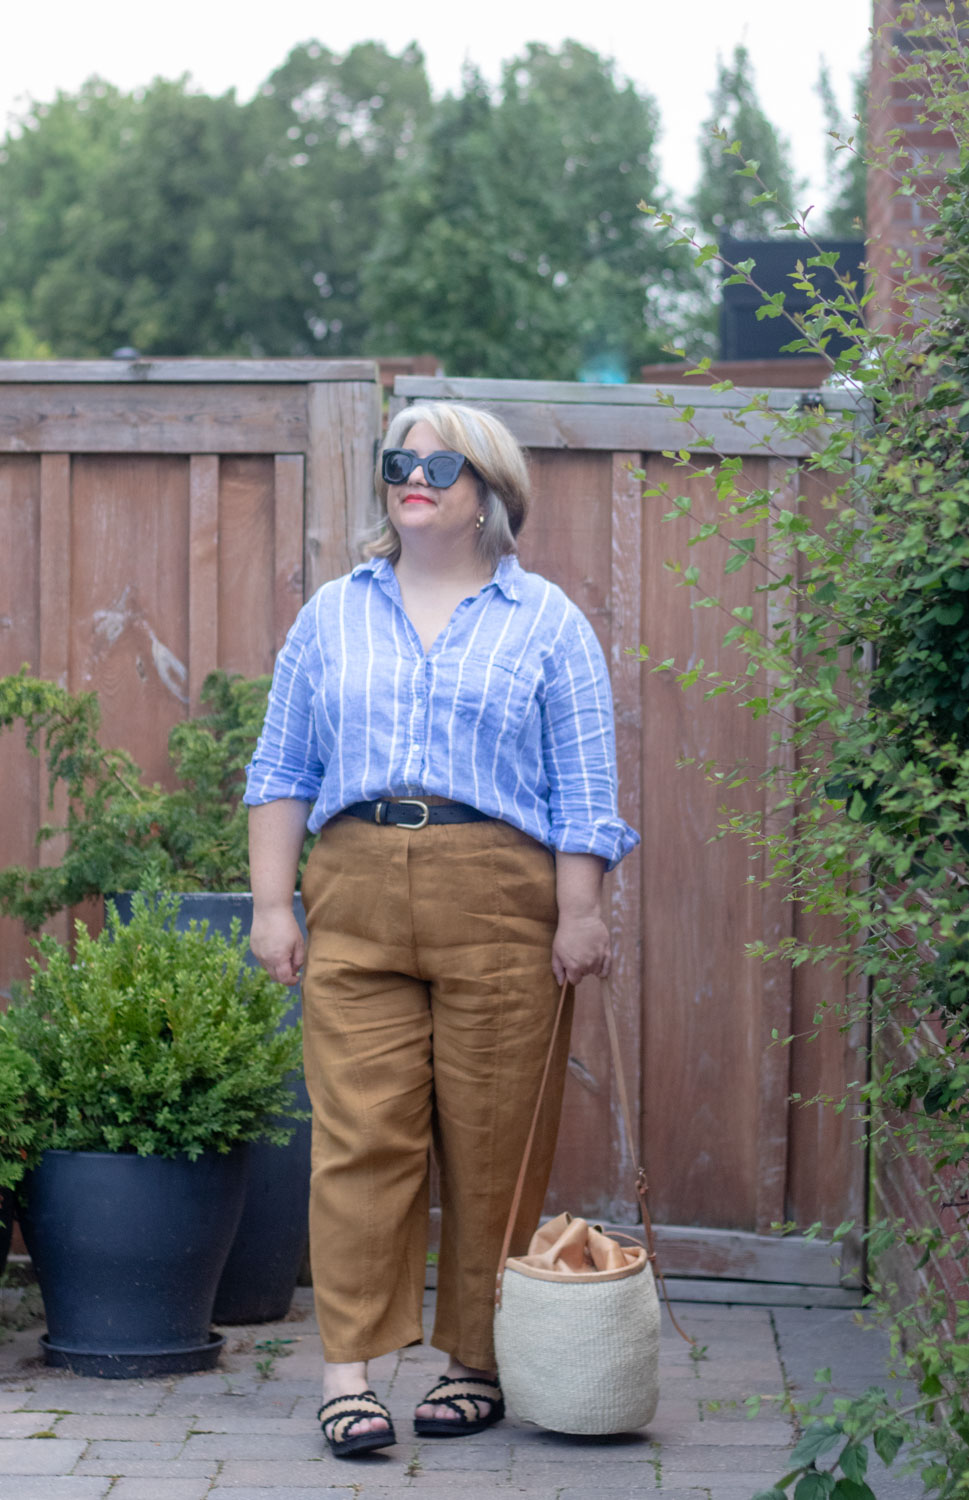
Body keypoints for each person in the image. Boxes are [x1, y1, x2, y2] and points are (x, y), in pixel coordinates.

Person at [244, 401, 638, 1459]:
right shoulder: (332, 615)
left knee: (494, 1142)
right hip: (357, 884)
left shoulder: (546, 621)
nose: (413, 477)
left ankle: (477, 1359)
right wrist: (274, 904)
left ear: (490, 491)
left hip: (500, 897)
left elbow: (583, 788)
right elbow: (281, 770)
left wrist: (582, 910)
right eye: (398, 463)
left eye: (439, 464)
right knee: (361, 1136)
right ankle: (348, 1372)